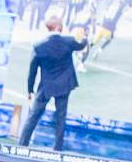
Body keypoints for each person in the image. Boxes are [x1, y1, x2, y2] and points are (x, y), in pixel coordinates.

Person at [19, 15, 87, 151]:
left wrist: (30, 90)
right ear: (59, 27)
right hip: (64, 85)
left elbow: (32, 71)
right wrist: (85, 36)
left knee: (33, 116)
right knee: (61, 117)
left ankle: (22, 145)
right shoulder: (69, 41)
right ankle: (57, 148)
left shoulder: (39, 46)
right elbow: (81, 45)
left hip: (46, 86)